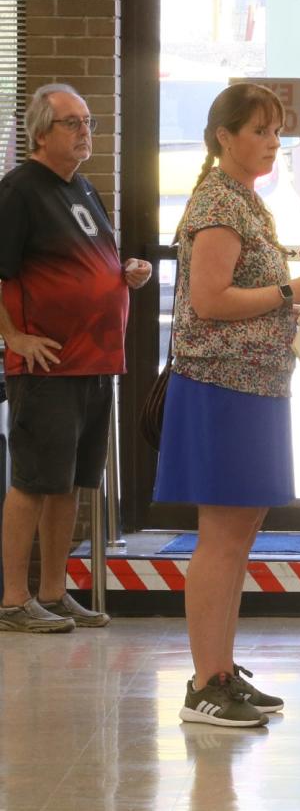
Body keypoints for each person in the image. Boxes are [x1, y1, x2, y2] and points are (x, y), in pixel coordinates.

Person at [153, 83, 300, 728]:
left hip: (257, 385)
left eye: (278, 131)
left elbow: (257, 294)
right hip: (221, 388)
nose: (272, 143)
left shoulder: (248, 202)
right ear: (223, 137)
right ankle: (205, 685)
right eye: (260, 131)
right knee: (221, 537)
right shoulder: (217, 202)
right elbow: (209, 301)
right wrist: (290, 293)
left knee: (239, 537)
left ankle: (222, 672)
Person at [0, 84, 152, 633]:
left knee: (68, 484)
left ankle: (54, 591)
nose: (85, 130)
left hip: (94, 362)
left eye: (88, 121)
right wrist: (13, 338)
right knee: (34, 482)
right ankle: (14, 601)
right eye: (72, 122)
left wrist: (127, 271)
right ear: (41, 132)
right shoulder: (19, 191)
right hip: (48, 366)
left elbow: (91, 263)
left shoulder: (84, 188)